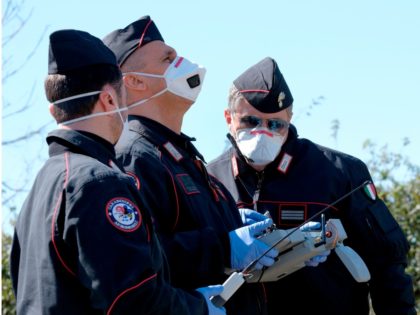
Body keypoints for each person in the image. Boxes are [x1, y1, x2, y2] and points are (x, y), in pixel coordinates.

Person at [10, 29, 226, 315]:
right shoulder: (98, 182)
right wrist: (199, 308)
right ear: (110, 100)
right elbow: (134, 300)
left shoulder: (43, 185)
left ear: (54, 111)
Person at [207, 56, 417, 315]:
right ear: (229, 118)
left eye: (275, 124)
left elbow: (387, 263)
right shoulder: (207, 180)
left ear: (290, 120)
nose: (262, 132)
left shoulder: (338, 173)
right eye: (251, 121)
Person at [103, 16, 282, 315]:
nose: (182, 63)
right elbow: (138, 259)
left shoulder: (178, 153)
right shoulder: (135, 157)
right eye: (168, 58)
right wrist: (223, 248)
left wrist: (234, 224)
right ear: (134, 81)